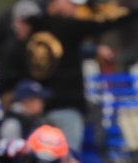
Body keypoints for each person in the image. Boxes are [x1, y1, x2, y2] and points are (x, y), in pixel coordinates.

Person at [26, 0, 138, 153]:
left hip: (37, 106)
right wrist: (132, 12)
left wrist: (93, 50)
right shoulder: (66, 27)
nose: (74, 8)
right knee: (67, 159)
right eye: (69, 3)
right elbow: (101, 23)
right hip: (64, 105)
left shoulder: (33, 27)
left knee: (41, 158)